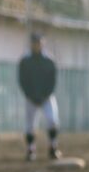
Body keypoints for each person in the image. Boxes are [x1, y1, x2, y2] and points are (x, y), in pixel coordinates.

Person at [18, 32, 61, 161]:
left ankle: (53, 147)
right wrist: (29, 95)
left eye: (39, 43)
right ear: (31, 44)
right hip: (31, 98)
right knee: (30, 125)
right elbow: (22, 80)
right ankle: (30, 150)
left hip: (47, 97)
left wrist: (45, 95)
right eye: (34, 42)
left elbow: (52, 80)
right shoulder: (25, 61)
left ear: (43, 44)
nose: (37, 45)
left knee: (52, 120)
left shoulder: (49, 61)